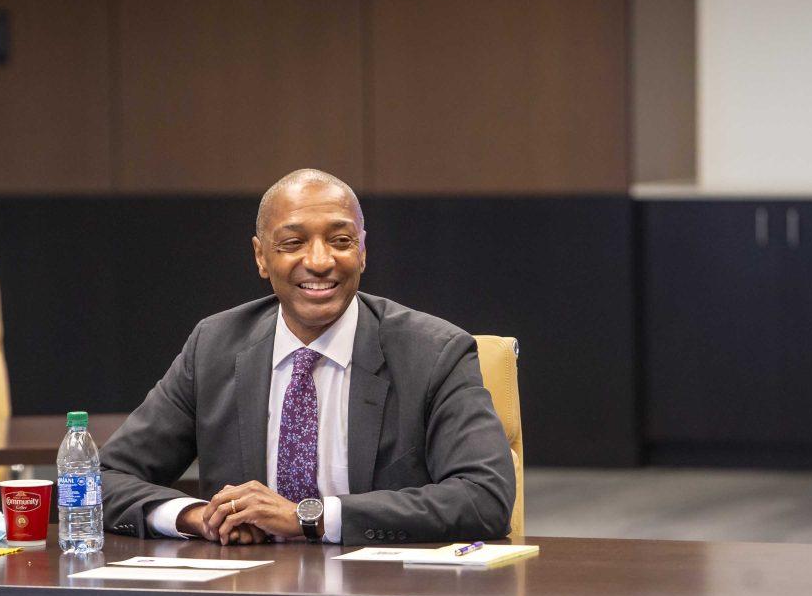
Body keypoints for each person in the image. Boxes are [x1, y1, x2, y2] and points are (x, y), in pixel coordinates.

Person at [100, 168, 515, 545]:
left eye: (340, 241)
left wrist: (308, 516)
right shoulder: (215, 346)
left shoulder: (434, 352)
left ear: (363, 251)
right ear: (262, 256)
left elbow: (484, 498)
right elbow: (99, 479)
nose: (319, 262)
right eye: (293, 243)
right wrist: (195, 516)